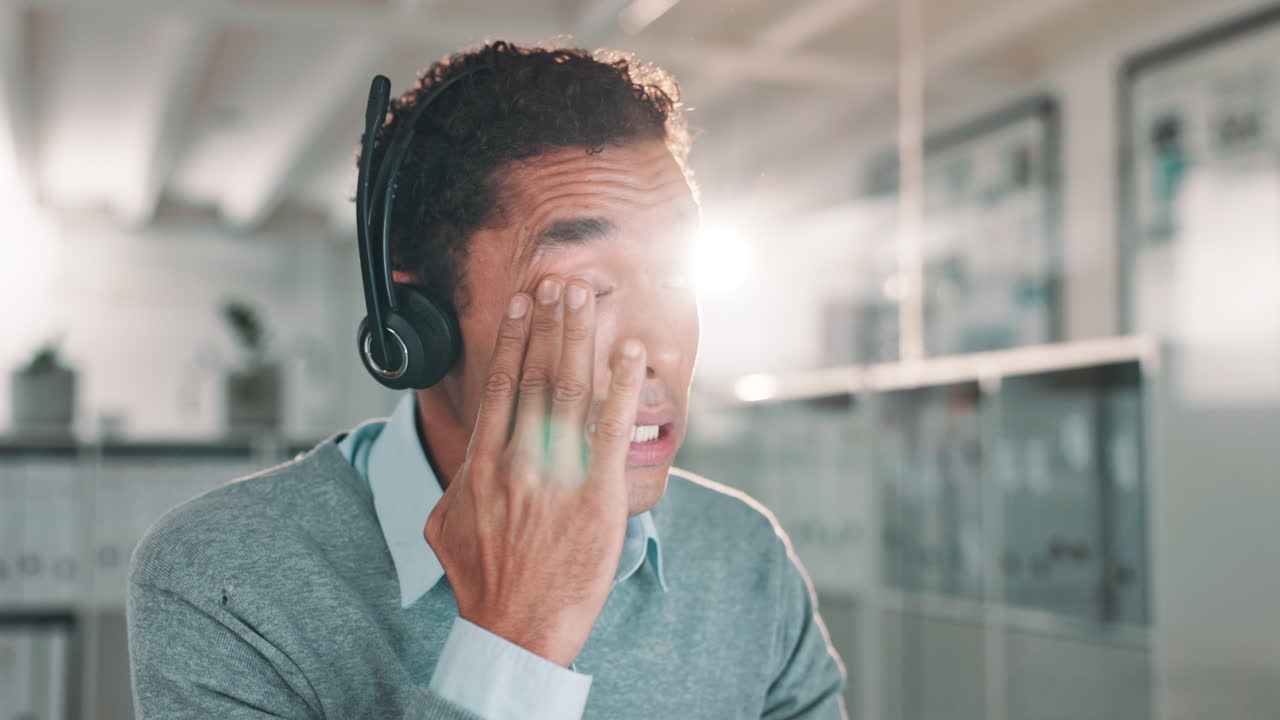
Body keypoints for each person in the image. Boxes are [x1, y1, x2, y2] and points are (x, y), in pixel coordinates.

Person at [127, 41, 846, 719]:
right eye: (587, 289)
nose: (659, 346)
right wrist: (515, 641)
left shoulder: (744, 554)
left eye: (675, 273)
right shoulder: (225, 577)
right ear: (418, 321)